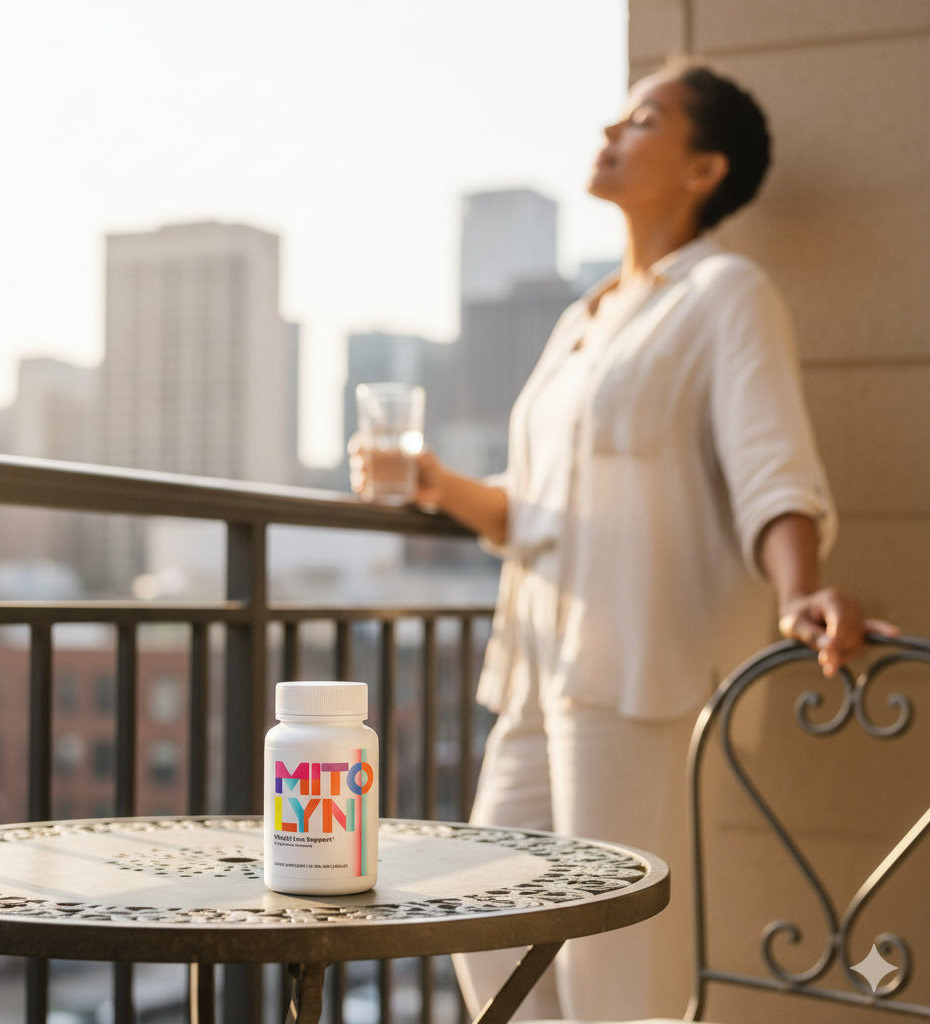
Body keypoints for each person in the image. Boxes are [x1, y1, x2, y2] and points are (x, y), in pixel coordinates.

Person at [351, 62, 896, 1020]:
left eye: (643, 120)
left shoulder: (726, 292)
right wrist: (437, 486)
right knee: (475, 908)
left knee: (615, 966)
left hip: (643, 671)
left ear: (703, 169)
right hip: (536, 669)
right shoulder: (583, 316)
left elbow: (772, 463)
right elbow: (544, 504)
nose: (611, 132)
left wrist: (798, 589)